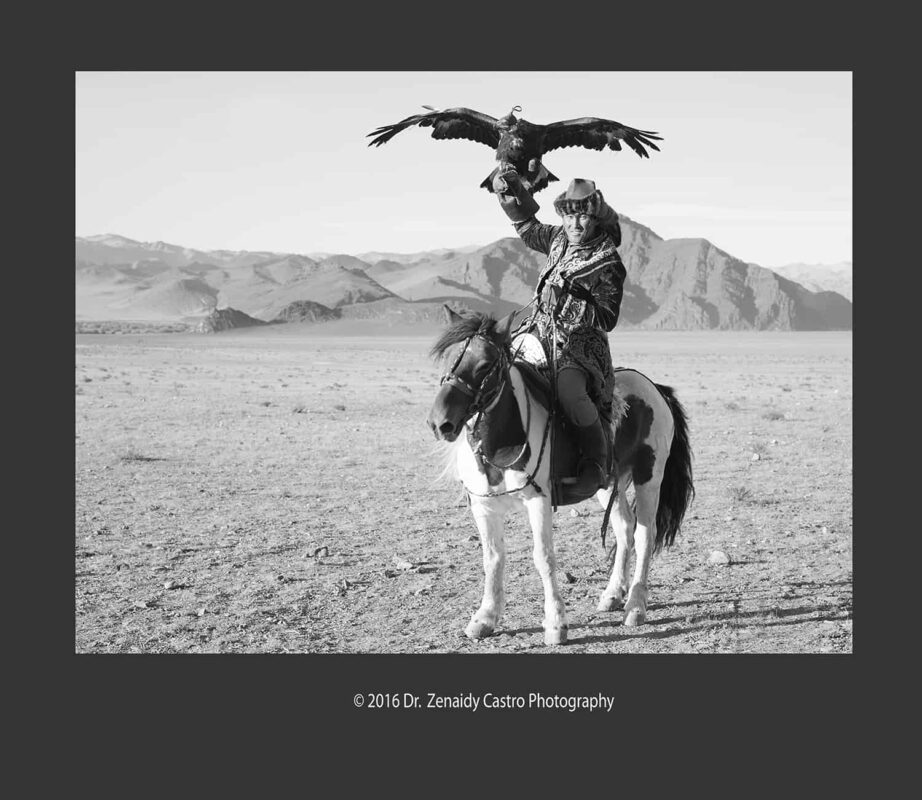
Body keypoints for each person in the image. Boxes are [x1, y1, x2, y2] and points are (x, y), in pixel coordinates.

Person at [493, 170, 626, 495]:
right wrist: (511, 195)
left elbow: (607, 317)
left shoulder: (608, 261)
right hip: (537, 333)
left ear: (594, 218)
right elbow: (529, 229)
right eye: (568, 217)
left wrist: (569, 299)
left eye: (582, 217)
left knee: (569, 392)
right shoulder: (558, 239)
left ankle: (596, 464)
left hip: (581, 348)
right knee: (497, 370)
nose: (574, 224)